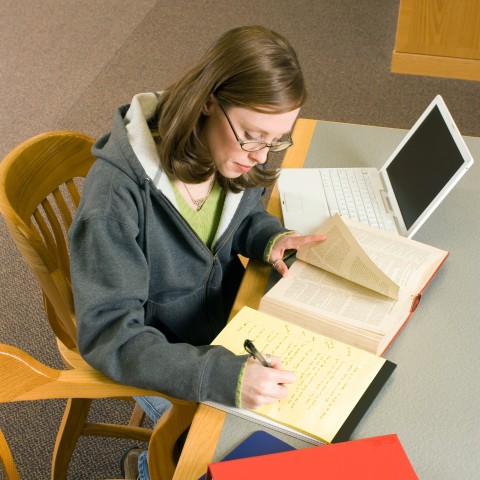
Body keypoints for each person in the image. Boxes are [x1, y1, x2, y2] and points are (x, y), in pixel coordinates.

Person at [69, 25, 326, 479]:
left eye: (277, 140)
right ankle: (148, 468)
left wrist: (269, 237)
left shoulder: (224, 148)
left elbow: (239, 217)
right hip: (155, 351)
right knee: (219, 451)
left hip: (224, 327)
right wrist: (222, 376)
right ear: (209, 101)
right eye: (252, 135)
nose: (262, 157)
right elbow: (111, 336)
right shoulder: (114, 200)